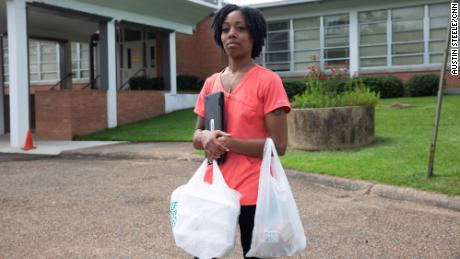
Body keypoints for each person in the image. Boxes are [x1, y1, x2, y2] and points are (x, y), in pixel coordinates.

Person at [192, 4, 291, 259]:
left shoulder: (268, 81)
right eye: (225, 29)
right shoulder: (211, 83)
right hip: (215, 189)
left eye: (240, 28)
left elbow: (278, 145)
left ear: (254, 35)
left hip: (254, 191)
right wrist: (205, 137)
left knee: (256, 254)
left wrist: (228, 143)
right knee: (204, 253)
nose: (231, 34)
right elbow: (196, 137)